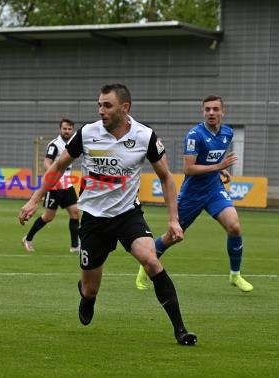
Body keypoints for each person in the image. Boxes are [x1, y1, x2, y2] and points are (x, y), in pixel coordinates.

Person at [19, 84, 197, 346]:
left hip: (127, 215)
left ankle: (181, 330)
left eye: (107, 105)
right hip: (92, 217)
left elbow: (167, 178)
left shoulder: (145, 136)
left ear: (125, 108)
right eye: (99, 105)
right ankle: (87, 297)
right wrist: (35, 198)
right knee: (90, 288)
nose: (101, 110)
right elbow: (58, 165)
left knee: (151, 261)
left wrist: (173, 219)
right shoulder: (87, 133)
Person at [135, 95, 253, 292]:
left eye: (215, 109)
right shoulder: (194, 135)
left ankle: (235, 275)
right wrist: (219, 165)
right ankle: (145, 265)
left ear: (223, 112)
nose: (211, 113)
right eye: (207, 109)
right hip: (192, 194)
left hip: (214, 190)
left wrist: (220, 169)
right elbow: (188, 169)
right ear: (203, 112)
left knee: (234, 226)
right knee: (173, 236)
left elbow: (209, 159)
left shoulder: (228, 133)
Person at [22, 118, 80, 253]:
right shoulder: (55, 145)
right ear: (60, 129)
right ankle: (28, 238)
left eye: (69, 129)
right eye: (64, 128)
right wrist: (54, 178)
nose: (67, 131)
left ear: (72, 130)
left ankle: (75, 246)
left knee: (75, 212)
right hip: (54, 185)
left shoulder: (72, 143)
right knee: (48, 217)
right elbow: (47, 163)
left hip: (68, 185)